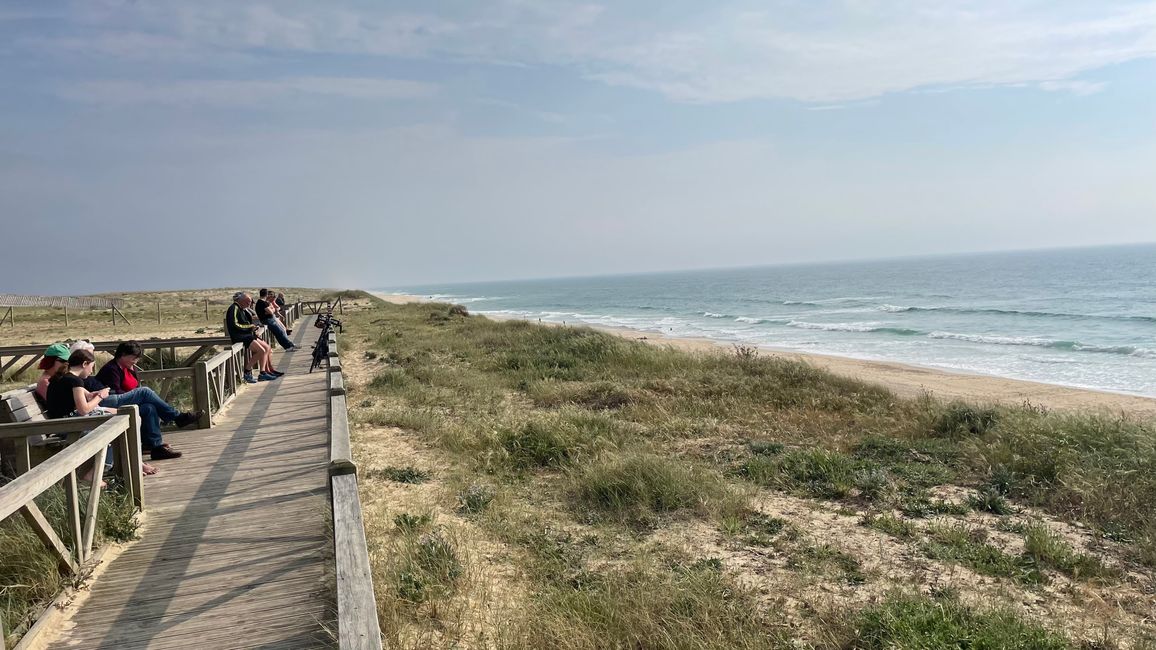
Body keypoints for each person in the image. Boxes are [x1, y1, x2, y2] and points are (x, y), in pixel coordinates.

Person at [91, 341, 199, 463]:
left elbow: (135, 386)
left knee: (149, 407)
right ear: (123, 355)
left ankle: (155, 447)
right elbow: (116, 392)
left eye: (138, 358)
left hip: (129, 404)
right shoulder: (111, 369)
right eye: (134, 357)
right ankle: (177, 417)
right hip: (110, 404)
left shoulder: (131, 368)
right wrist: (135, 396)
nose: (136, 360)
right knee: (145, 392)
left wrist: (135, 395)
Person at [45, 349, 116, 482]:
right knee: (110, 431)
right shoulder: (75, 381)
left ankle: (113, 467)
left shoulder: (62, 377)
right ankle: (95, 473)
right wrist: (101, 396)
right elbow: (84, 410)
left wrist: (92, 395)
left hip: (59, 425)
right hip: (69, 426)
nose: (91, 371)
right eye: (91, 367)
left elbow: (84, 396)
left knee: (117, 417)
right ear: (84, 364)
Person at [225, 292, 281, 383]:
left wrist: (253, 329)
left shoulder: (242, 309)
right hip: (240, 336)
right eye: (247, 302)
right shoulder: (234, 308)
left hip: (247, 334)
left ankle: (263, 373)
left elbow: (246, 322)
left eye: (250, 302)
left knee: (267, 348)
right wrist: (250, 327)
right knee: (261, 351)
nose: (249, 304)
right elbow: (234, 324)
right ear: (241, 300)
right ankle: (247, 371)